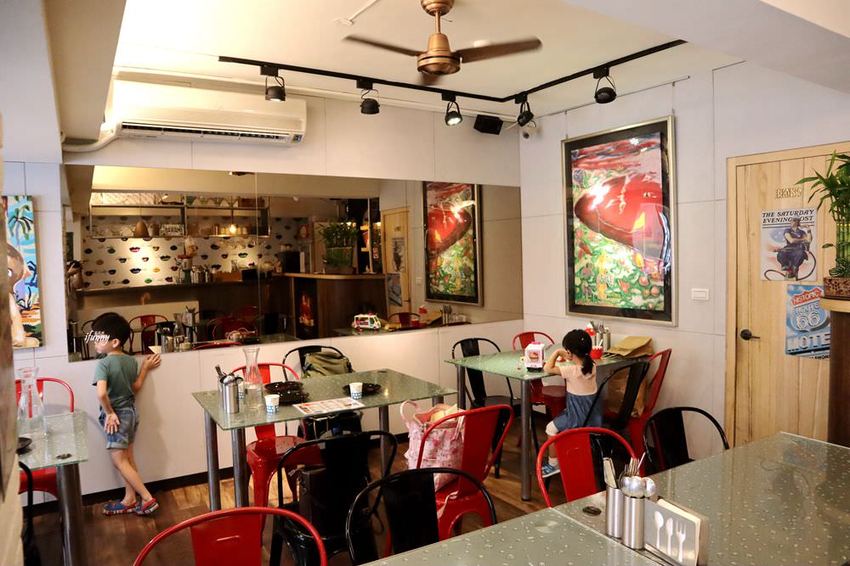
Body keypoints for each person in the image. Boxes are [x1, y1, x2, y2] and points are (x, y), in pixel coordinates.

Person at [90, 312, 161, 515]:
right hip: (131, 413)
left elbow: (101, 393)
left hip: (117, 418)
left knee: (119, 461)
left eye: (99, 338)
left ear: (114, 342)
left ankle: (147, 498)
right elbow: (135, 387)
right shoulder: (130, 361)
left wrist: (110, 413)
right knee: (127, 459)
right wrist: (145, 368)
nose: (94, 341)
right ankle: (129, 499)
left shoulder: (103, 364)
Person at [539, 329, 600, 478]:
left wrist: (557, 352)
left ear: (570, 352)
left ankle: (553, 465)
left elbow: (547, 368)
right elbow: (579, 365)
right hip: (591, 417)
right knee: (559, 420)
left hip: (576, 418)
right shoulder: (592, 366)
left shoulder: (572, 370)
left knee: (550, 428)